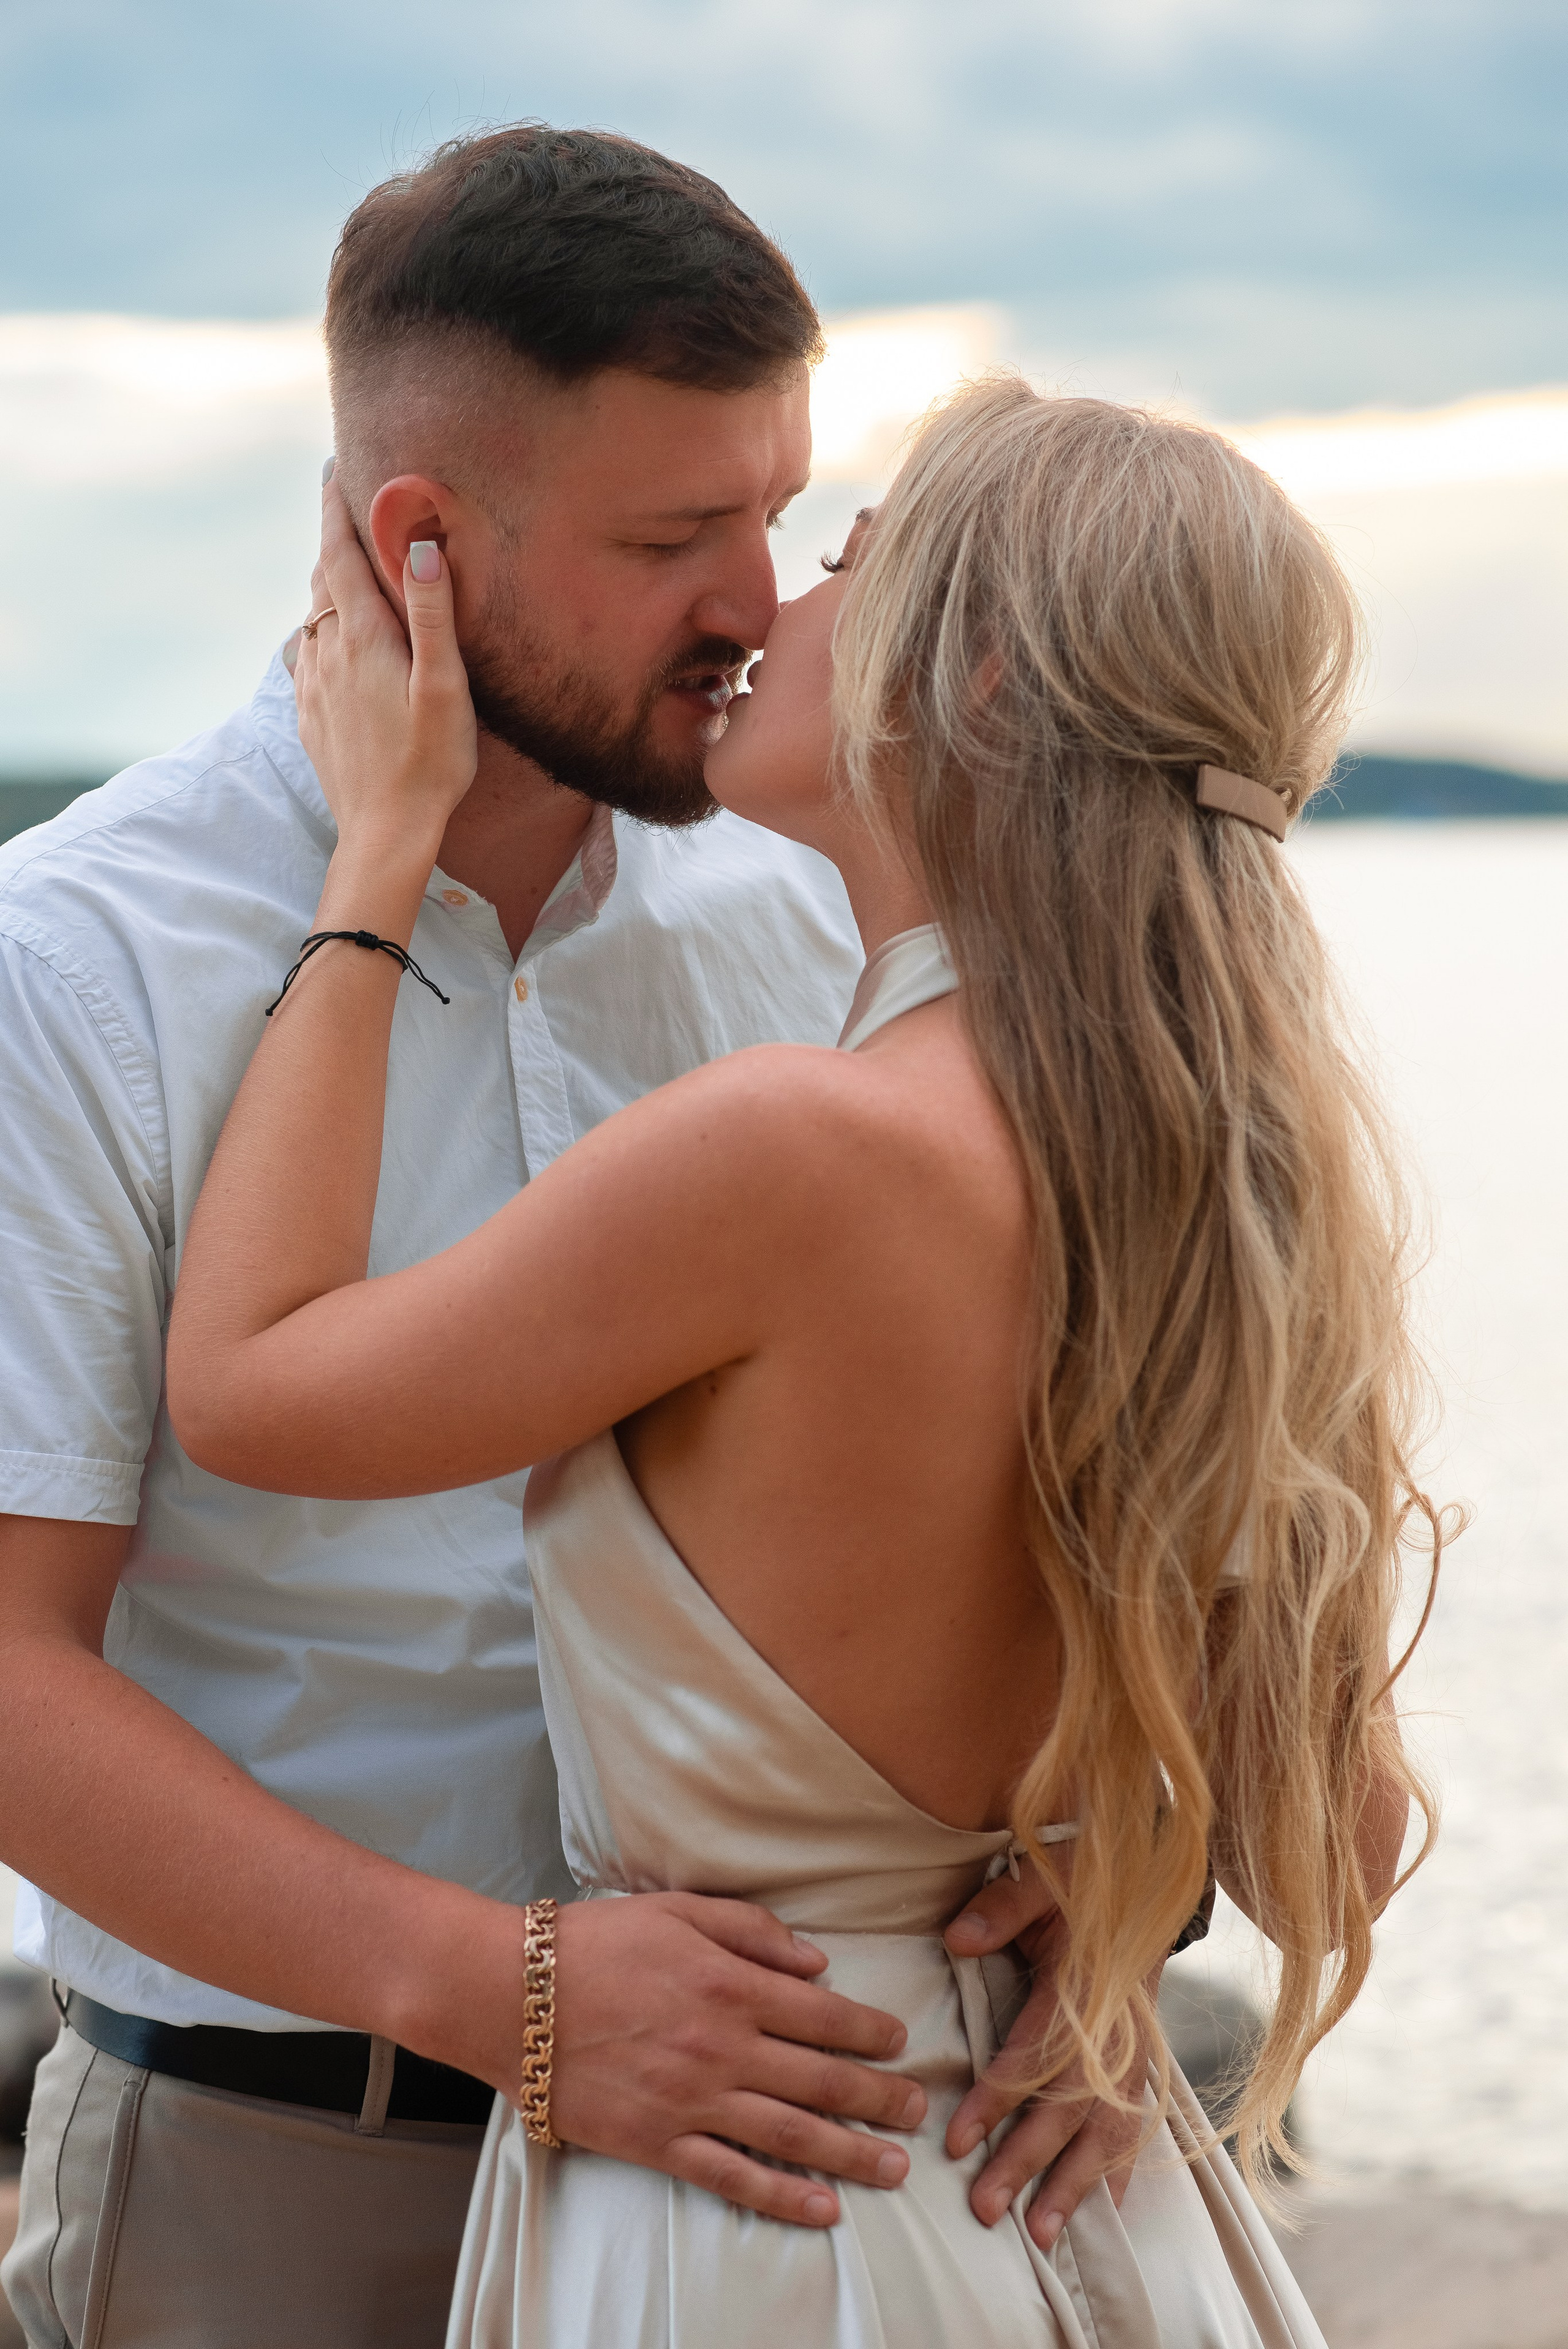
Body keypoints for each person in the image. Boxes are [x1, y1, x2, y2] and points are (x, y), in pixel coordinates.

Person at [164, 376, 1439, 2347]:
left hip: (762, 2205)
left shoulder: (794, 1150)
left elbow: (252, 1386)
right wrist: (1115, 1882)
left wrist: (378, 855)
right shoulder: (1203, 1189)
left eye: (847, 555)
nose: (781, 597)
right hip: (1053, 2201)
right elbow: (1341, 1850)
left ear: (974, 676)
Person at [0, 129, 1100, 2349]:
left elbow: (1047, 1472)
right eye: (675, 538)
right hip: (284, 2176)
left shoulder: (812, 902)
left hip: (807, 2179)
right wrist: (495, 1985)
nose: (759, 601)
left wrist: (1103, 1859)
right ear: (419, 542)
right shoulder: (76, 965)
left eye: (777, 513)